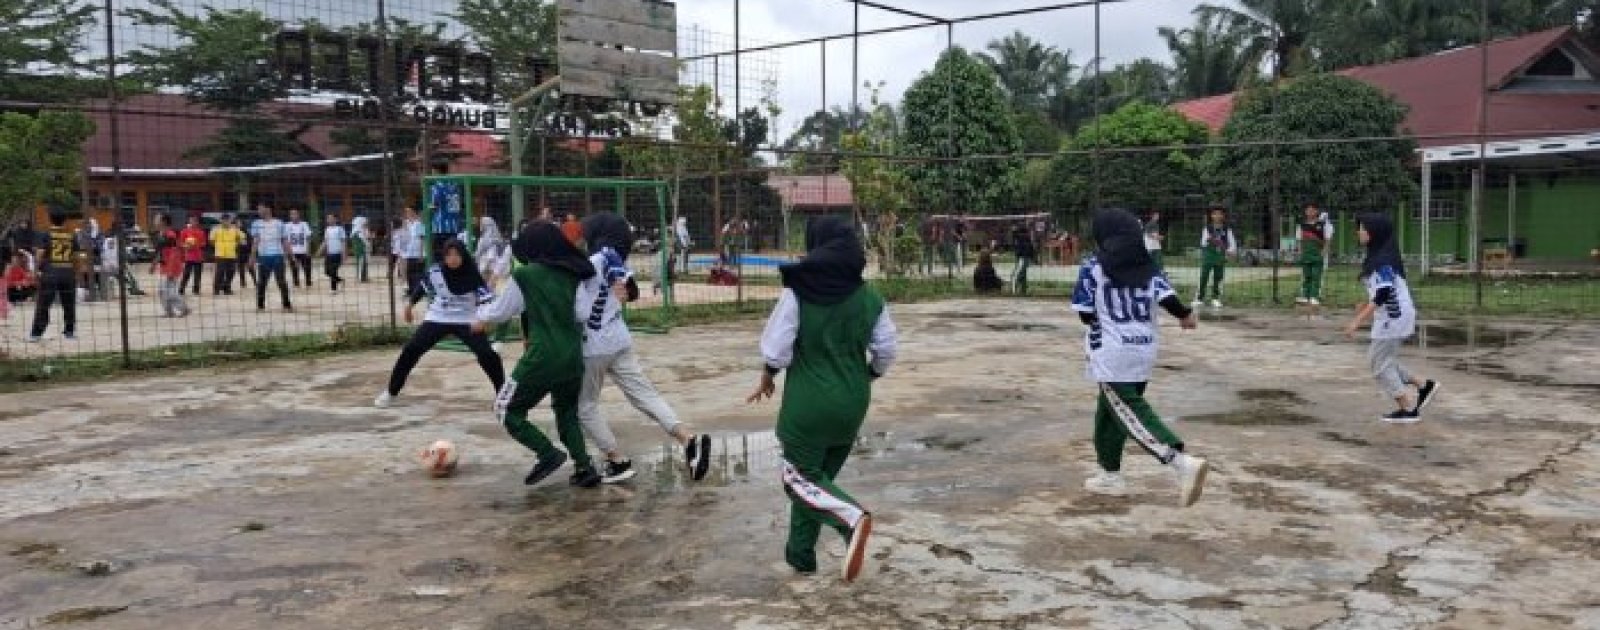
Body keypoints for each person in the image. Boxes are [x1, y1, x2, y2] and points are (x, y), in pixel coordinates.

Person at [747, 216, 899, 582]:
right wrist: (869, 376)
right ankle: (800, 557)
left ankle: (851, 518)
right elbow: (887, 350)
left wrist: (768, 374)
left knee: (796, 478)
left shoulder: (798, 293)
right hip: (853, 402)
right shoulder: (870, 296)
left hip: (808, 405)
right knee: (816, 482)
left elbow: (777, 348)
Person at [1072, 208, 1208, 507]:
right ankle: (1110, 475)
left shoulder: (1093, 266)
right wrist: (1186, 316)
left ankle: (1180, 462)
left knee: (1131, 414)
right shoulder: (1148, 267)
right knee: (1109, 416)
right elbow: (1169, 300)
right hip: (1143, 350)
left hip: (1111, 352)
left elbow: (1084, 314)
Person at [573, 213, 712, 484]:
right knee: (645, 395)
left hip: (593, 345)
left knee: (585, 407)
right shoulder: (616, 261)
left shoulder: (587, 264)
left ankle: (616, 460)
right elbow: (632, 292)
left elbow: (579, 312)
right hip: (619, 339)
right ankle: (687, 439)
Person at [472, 221, 604, 489]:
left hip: (542, 357)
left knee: (505, 408)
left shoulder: (527, 276)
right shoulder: (573, 275)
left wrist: (479, 319)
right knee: (566, 412)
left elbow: (501, 311)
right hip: (572, 356)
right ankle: (584, 467)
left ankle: (547, 453)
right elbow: (584, 314)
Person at [375, 239, 505, 407]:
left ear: (464, 256)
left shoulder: (473, 274)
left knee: (487, 355)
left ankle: (502, 394)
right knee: (411, 350)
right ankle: (391, 392)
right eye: (449, 255)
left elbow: (487, 299)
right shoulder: (435, 271)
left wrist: (483, 319)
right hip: (438, 317)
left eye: (457, 255)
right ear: (443, 256)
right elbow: (422, 287)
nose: (453, 259)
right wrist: (409, 305)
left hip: (467, 319)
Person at [1343, 214, 1440, 423]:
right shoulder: (1379, 257)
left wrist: (1357, 320)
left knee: (1379, 365)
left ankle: (1407, 408)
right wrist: (1365, 305)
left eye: (1362, 228)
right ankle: (1423, 385)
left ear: (1375, 232)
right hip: (1392, 317)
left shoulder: (1382, 260)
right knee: (1382, 361)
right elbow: (1384, 290)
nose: (1358, 232)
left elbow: (1384, 294)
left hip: (1393, 319)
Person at [27, 213, 79, 342]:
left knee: (44, 304)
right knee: (69, 303)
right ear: (65, 220)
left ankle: (36, 333)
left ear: (50, 219)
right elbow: (77, 257)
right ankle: (70, 331)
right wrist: (76, 273)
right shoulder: (71, 235)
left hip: (50, 271)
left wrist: (35, 271)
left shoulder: (45, 234)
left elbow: (39, 254)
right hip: (67, 272)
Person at [250, 205, 293, 312]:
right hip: (263, 257)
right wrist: (252, 257)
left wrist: (291, 255)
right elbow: (255, 241)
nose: (258, 211)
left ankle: (287, 304)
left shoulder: (279, 223)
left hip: (278, 256)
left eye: (260, 209)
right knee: (262, 283)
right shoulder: (256, 224)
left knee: (281, 281)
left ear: (268, 209)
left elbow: (284, 240)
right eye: (258, 209)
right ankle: (260, 306)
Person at [1194, 208, 1238, 309]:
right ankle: (1199, 298)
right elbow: (1203, 243)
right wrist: (1212, 241)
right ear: (1211, 216)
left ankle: (1215, 298)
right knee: (1203, 276)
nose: (1217, 216)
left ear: (1223, 216)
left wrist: (1229, 251)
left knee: (1218, 277)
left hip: (1220, 256)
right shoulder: (1207, 228)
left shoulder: (1227, 229)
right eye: (1215, 214)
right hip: (1208, 255)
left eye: (1219, 214)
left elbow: (1232, 244)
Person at [150, 213, 191, 318]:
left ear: (163, 222)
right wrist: (154, 265)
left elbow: (174, 252)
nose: (155, 220)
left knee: (169, 291)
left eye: (157, 218)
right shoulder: (160, 234)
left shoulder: (170, 234)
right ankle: (169, 311)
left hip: (172, 266)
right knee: (162, 290)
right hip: (165, 266)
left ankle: (184, 308)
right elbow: (159, 251)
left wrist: (171, 269)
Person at [1297, 203, 1333, 305]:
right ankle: (1305, 295)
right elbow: (1299, 240)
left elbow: (1327, 240)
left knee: (1316, 276)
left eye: (1312, 210)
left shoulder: (1323, 225)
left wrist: (1323, 253)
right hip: (1306, 254)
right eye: (1307, 210)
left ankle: (1314, 296)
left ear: (1317, 211)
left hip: (1318, 255)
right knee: (1306, 276)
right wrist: (1300, 252)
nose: (1310, 212)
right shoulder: (1302, 225)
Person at [428, 170, 465, 259]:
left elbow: (433, 205)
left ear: (436, 172)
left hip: (440, 227)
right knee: (452, 253)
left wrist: (429, 207)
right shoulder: (455, 186)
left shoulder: (436, 187)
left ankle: (439, 271)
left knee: (438, 255)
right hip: (454, 226)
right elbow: (457, 206)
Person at [210, 214, 243, 296]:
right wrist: (218, 247)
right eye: (224, 220)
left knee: (231, 272)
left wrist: (236, 244)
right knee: (220, 272)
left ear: (230, 220)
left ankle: (227, 288)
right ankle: (216, 289)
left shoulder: (235, 229)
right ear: (221, 220)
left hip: (231, 254)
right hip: (220, 254)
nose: (226, 222)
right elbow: (211, 240)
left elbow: (242, 237)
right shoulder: (216, 229)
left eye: (227, 220)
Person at [399, 207, 426, 297]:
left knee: (418, 272)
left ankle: (417, 290)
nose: (408, 214)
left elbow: (422, 238)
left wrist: (421, 254)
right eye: (406, 213)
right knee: (410, 272)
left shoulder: (418, 224)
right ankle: (411, 290)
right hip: (410, 252)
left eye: (410, 212)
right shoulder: (408, 224)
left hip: (417, 252)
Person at [178, 215, 207, 296]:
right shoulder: (184, 231)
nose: (193, 222)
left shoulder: (201, 232)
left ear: (197, 222)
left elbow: (204, 243)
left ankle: (196, 289)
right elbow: (180, 243)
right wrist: (186, 246)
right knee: (186, 273)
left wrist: (196, 244)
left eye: (194, 221)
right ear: (189, 222)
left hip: (198, 256)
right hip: (189, 256)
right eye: (191, 221)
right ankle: (181, 288)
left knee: (197, 274)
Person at [317, 216, 347, 292]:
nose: (329, 220)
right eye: (328, 218)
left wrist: (344, 255)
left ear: (335, 219)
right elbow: (325, 242)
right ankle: (340, 280)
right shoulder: (327, 230)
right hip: (329, 254)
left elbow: (343, 242)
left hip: (337, 254)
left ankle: (333, 289)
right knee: (327, 272)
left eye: (331, 218)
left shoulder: (339, 229)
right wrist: (319, 250)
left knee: (333, 271)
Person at [285, 209, 314, 288]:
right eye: (292, 214)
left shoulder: (304, 224)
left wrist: (308, 250)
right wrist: (288, 252)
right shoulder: (287, 225)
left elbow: (308, 238)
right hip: (293, 251)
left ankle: (308, 282)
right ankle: (296, 283)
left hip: (304, 251)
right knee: (294, 268)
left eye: (295, 214)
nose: (293, 216)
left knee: (307, 268)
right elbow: (286, 240)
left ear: (298, 215)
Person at [1011, 224, 1037, 295]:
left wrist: (1014, 230)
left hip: (1022, 258)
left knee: (1017, 275)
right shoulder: (1026, 238)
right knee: (1023, 274)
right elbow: (1032, 249)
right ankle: (1023, 290)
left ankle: (1014, 291)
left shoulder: (1021, 238)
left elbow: (1014, 235)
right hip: (1025, 258)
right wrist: (1034, 258)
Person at [349, 215, 371, 283]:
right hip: (361, 250)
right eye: (364, 223)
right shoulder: (358, 232)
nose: (366, 224)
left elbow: (368, 236)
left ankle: (364, 277)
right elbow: (365, 241)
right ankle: (360, 278)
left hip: (362, 250)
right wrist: (369, 245)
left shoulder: (358, 231)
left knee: (364, 264)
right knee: (361, 263)